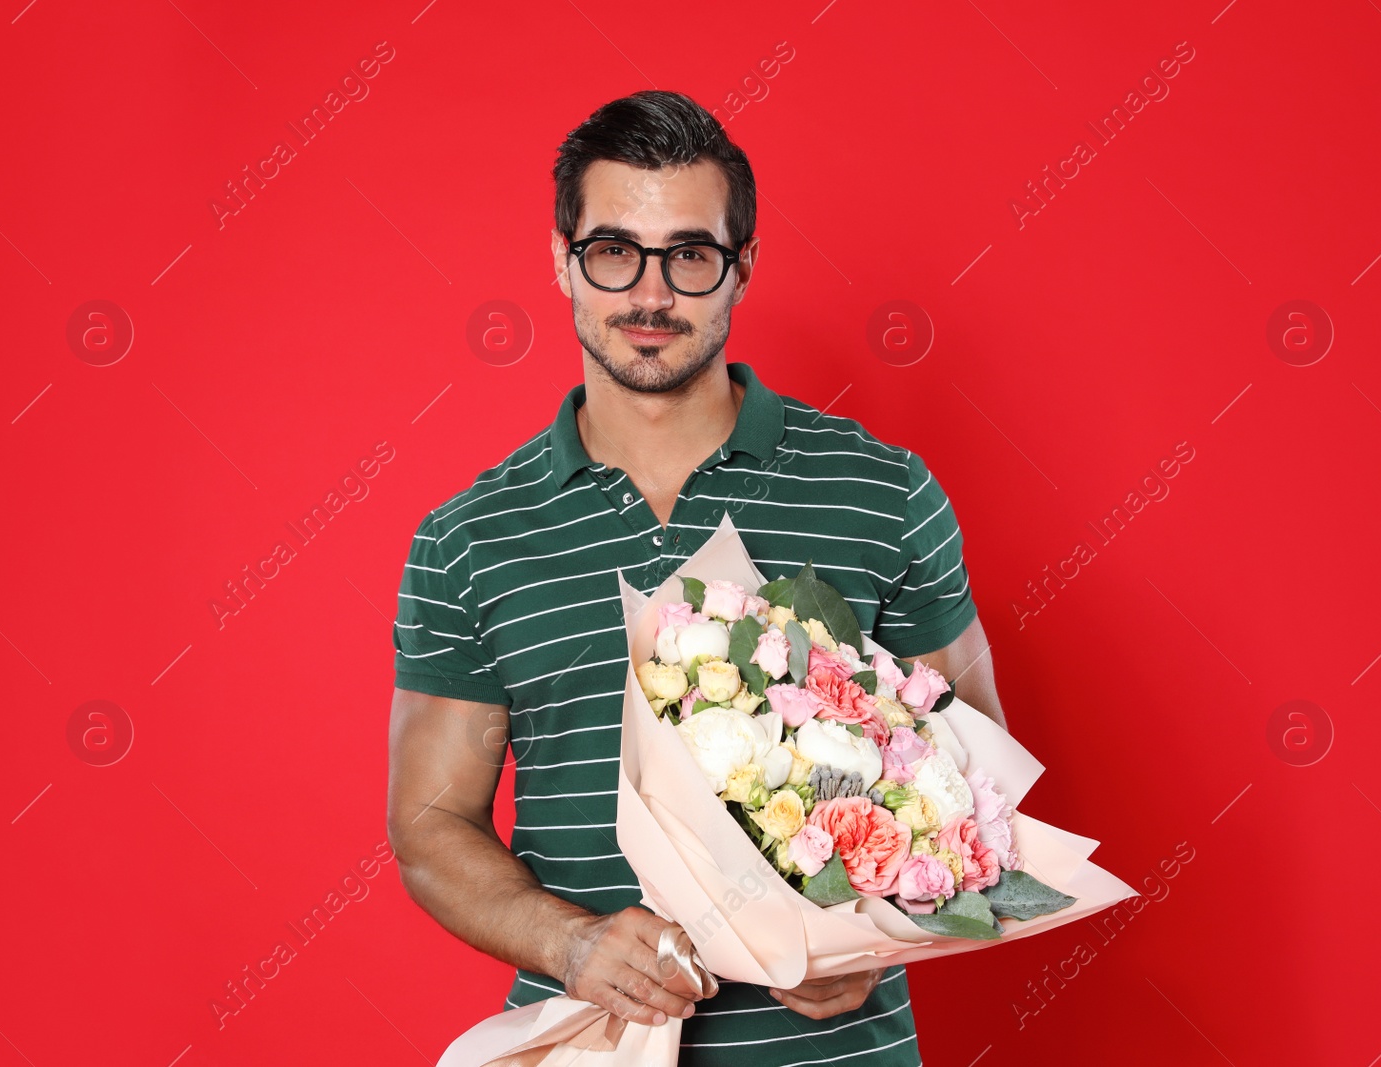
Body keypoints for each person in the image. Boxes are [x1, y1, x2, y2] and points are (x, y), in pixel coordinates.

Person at [386, 89, 1008, 1066]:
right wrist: (569, 939)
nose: (649, 294)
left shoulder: (880, 491)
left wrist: (885, 926)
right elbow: (429, 822)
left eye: (689, 254)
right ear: (561, 258)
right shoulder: (472, 537)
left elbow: (977, 769)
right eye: (612, 251)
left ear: (742, 266)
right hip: (597, 1047)